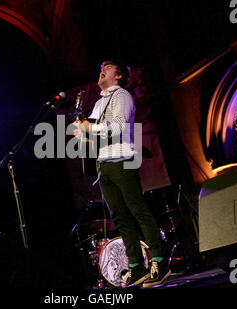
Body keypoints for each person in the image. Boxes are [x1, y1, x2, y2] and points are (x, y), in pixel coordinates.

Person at [74, 59, 171, 288]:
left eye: (106, 68)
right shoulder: (98, 104)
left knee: (138, 210)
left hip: (122, 160)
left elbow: (117, 127)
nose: (101, 71)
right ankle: (136, 266)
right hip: (104, 165)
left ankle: (159, 260)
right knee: (121, 218)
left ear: (118, 76)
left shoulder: (122, 96)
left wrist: (91, 128)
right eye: (100, 68)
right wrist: (84, 135)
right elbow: (98, 135)